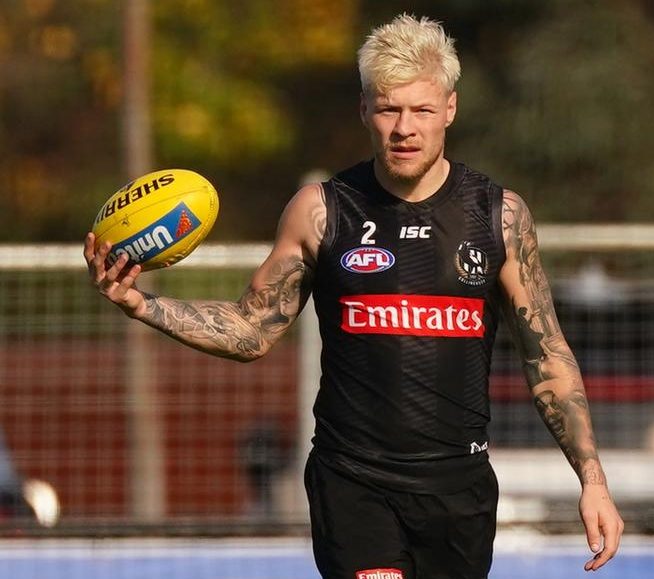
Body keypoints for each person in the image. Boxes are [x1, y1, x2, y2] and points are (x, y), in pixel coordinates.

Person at [84, 13, 623, 578]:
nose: (405, 128)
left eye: (422, 110)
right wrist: (142, 304)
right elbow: (251, 330)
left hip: (457, 488)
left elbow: (547, 356)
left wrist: (593, 481)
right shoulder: (322, 211)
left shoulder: (499, 216)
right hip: (354, 482)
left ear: (450, 109)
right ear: (364, 109)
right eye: (389, 109)